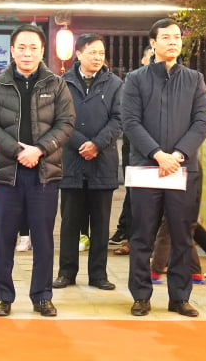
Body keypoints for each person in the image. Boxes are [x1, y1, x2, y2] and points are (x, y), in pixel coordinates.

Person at [0, 24, 75, 317]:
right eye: (21, 47)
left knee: (44, 239)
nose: (27, 53)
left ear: (42, 51)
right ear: (12, 50)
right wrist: (18, 151)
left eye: (33, 47)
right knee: (4, 239)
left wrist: (40, 149)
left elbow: (67, 123)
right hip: (8, 174)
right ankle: (4, 297)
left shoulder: (56, 84)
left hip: (45, 173)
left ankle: (42, 296)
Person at [122, 19, 206, 317]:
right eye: (166, 37)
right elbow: (131, 122)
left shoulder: (194, 79)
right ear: (153, 43)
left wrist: (179, 154)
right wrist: (159, 154)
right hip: (147, 167)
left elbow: (201, 123)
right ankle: (141, 295)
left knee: (182, 235)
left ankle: (180, 297)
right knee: (142, 234)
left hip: (183, 169)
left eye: (177, 37)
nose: (173, 42)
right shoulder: (136, 79)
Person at [53, 34, 123, 291]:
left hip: (102, 161)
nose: (97, 57)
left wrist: (97, 144)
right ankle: (66, 272)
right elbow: (59, 119)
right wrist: (81, 143)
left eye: (101, 53)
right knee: (70, 221)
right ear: (78, 54)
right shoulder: (62, 83)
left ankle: (98, 274)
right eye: (92, 52)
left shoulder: (114, 83)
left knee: (101, 223)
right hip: (71, 161)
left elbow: (118, 119)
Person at [110, 45, 153, 254]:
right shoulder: (134, 81)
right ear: (144, 59)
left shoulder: (181, 80)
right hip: (136, 148)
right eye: (151, 57)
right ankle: (130, 237)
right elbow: (128, 119)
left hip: (166, 154)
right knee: (134, 194)